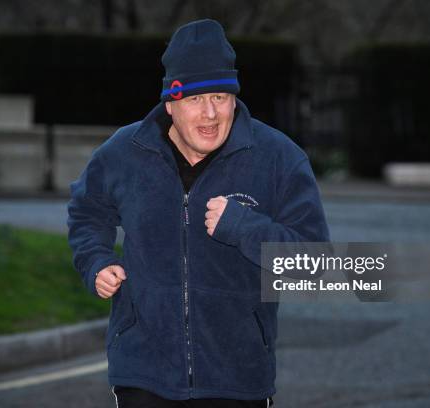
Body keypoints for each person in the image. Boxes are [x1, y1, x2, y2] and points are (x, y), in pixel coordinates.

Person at [67, 19, 329, 407]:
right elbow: (87, 211)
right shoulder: (124, 152)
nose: (210, 114)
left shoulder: (279, 158)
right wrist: (96, 260)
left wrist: (244, 226)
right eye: (195, 99)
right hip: (143, 375)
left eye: (220, 97)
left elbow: (314, 263)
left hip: (237, 381)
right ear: (170, 104)